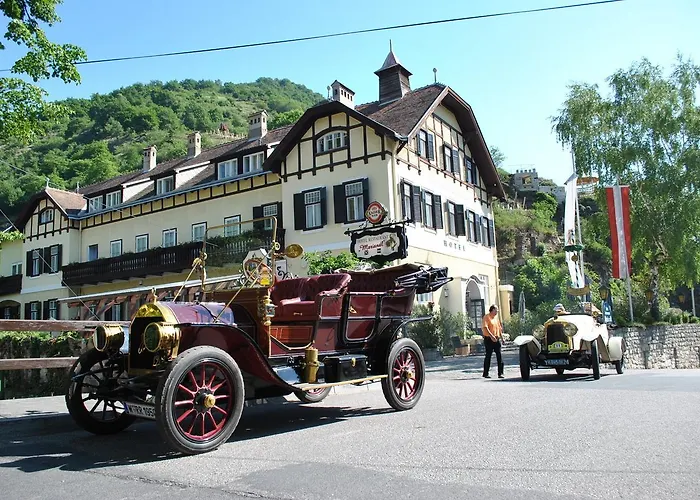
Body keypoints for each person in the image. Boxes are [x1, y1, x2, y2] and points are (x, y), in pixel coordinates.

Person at [482, 304, 504, 379]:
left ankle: (500, 373)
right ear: (492, 310)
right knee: (488, 356)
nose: (497, 311)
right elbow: (485, 328)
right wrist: (491, 336)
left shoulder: (496, 318)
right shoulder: (486, 317)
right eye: (496, 310)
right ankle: (486, 373)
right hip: (489, 339)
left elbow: (499, 329)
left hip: (496, 338)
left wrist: (502, 338)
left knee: (499, 356)